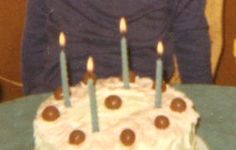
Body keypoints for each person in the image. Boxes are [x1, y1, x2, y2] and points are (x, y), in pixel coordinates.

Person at [22, 0, 212, 95]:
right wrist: (33, 100)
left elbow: (192, 37)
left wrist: (204, 103)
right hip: (64, 96)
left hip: (143, 98)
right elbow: (36, 35)